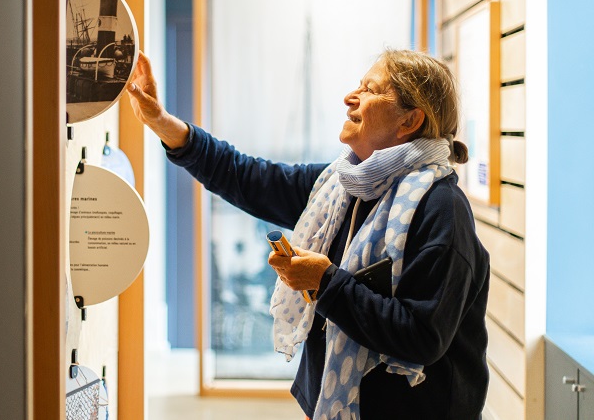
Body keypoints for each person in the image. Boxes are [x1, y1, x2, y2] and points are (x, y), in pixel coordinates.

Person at [127, 49, 490, 420]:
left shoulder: (443, 210)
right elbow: (250, 177)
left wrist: (325, 282)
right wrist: (162, 123)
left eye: (370, 90)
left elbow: (422, 337)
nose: (350, 97)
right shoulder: (340, 184)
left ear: (410, 120)